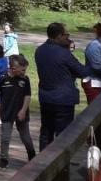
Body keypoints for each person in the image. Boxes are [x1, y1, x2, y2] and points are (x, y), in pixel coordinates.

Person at [35, 22, 91, 150]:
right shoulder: (63, 54)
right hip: (63, 99)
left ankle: (42, 162)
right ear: (59, 36)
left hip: (45, 97)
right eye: (66, 35)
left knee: (46, 132)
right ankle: (61, 166)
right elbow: (82, 72)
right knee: (63, 135)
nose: (68, 38)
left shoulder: (40, 50)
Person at [0, 55, 36, 168]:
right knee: (5, 138)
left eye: (25, 70)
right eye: (22, 70)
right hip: (7, 112)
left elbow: (27, 96)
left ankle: (32, 155)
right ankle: (4, 159)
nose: (24, 72)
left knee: (26, 137)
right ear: (13, 69)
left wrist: (23, 110)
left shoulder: (25, 79)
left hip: (21, 113)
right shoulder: (2, 79)